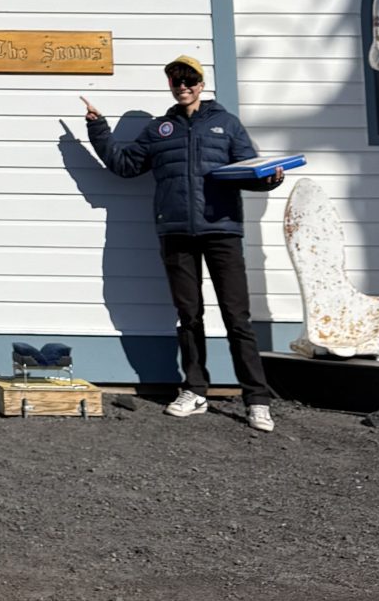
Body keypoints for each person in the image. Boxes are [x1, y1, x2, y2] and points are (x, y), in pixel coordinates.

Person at [82, 55, 285, 430]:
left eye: (189, 79)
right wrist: (99, 129)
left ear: (201, 83)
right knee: (189, 316)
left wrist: (270, 179)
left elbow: (249, 169)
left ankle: (256, 399)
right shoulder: (160, 129)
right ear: (170, 85)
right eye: (176, 81)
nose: (183, 86)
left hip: (221, 230)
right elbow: (125, 165)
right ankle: (194, 390)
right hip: (175, 232)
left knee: (236, 316)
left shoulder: (226, 124)